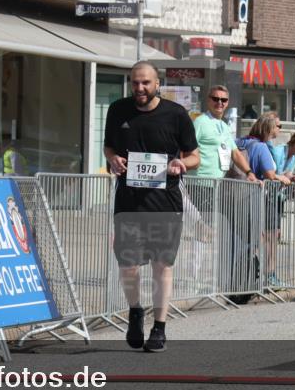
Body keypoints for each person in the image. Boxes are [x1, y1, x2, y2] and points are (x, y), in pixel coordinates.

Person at [104, 61, 200, 353]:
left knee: (162, 266)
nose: (140, 89)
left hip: (165, 203)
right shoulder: (118, 110)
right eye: (135, 83)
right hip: (128, 201)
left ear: (158, 84)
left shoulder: (176, 115)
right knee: (128, 266)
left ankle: (159, 328)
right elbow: (109, 146)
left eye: (145, 83)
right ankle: (135, 310)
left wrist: (181, 164)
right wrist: (113, 159)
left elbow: (195, 156)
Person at [236, 113, 292, 286]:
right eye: (277, 126)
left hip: (236, 195)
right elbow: (269, 174)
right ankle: (261, 278)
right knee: (261, 239)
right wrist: (281, 178)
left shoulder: (241, 142)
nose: (279, 129)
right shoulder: (261, 147)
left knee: (242, 239)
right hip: (256, 198)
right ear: (269, 128)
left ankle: (241, 278)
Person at [191, 85, 254, 182]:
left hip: (218, 184)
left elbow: (235, 153)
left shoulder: (225, 127)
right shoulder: (200, 122)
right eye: (215, 99)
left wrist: (249, 172)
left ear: (227, 103)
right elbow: (186, 149)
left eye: (223, 100)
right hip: (199, 184)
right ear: (208, 100)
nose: (219, 102)